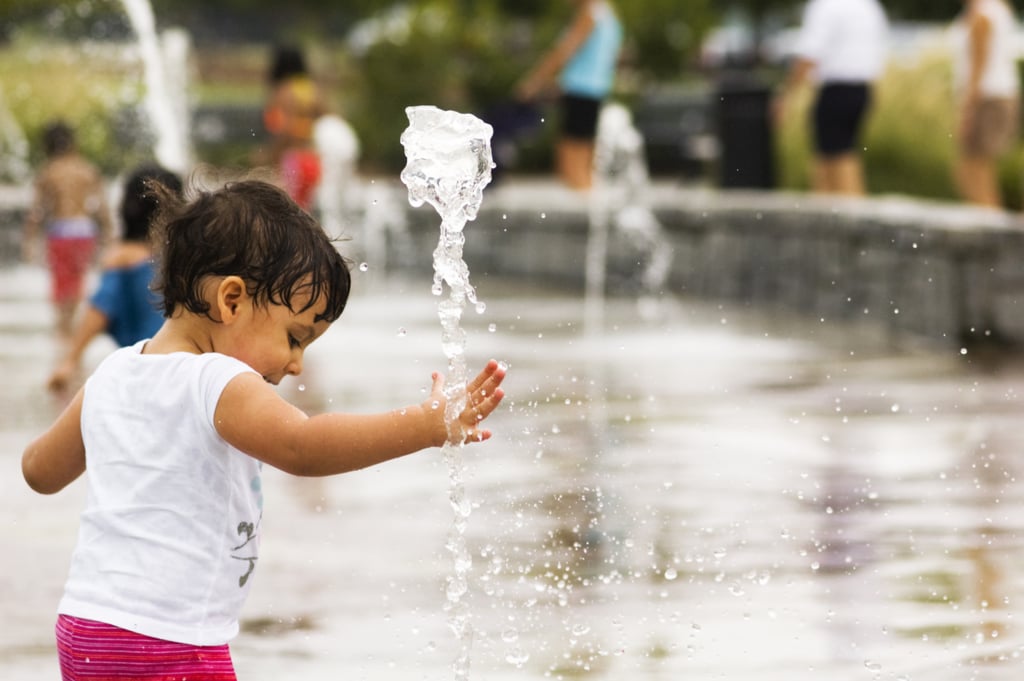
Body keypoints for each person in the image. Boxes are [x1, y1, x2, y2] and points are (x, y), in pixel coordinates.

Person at [21, 179, 507, 680]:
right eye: (295, 338)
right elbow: (303, 447)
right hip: (172, 639)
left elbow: (39, 470)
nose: (296, 364)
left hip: (87, 630)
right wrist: (427, 426)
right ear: (231, 301)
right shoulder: (216, 379)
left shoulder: (114, 373)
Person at [47, 163, 183, 394]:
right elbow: (100, 309)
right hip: (173, 370)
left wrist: (70, 360)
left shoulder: (126, 259)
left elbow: (100, 307)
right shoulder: (164, 259)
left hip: (147, 370)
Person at [774, 0, 889, 196]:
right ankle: (842, 216)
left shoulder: (827, 6)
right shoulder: (869, 6)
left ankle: (845, 220)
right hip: (863, 90)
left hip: (836, 90)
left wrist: (786, 95)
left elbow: (809, 55)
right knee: (844, 153)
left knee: (832, 160)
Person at [516, 0, 623, 191]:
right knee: (586, 161)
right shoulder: (608, 15)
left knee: (571, 161)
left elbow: (564, 51)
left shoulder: (590, 14)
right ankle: (588, 209)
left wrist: (534, 82)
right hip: (595, 93)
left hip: (580, 93)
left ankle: (582, 211)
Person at [22, 120, 114, 340]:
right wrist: (109, 238)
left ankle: (63, 334)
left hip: (61, 233)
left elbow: (38, 211)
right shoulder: (88, 170)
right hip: (84, 233)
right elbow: (102, 210)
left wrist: (29, 239)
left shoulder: (48, 172)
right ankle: (69, 332)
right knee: (76, 284)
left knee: (61, 288)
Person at [951, 0, 1021, 208]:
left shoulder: (982, 15)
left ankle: (989, 222)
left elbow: (978, 66)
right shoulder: (998, 8)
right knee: (977, 167)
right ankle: (988, 219)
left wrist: (967, 110)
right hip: (999, 94)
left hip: (987, 97)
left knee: (974, 168)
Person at [261, 44, 326, 210]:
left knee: (289, 218)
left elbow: (285, 131)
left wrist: (268, 157)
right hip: (313, 161)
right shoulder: (312, 89)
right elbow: (329, 118)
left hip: (293, 162)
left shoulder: (282, 91)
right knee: (306, 218)